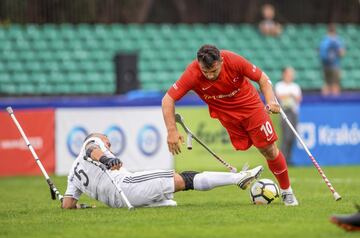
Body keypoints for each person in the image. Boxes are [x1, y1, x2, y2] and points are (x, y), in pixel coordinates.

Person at [162, 44, 298, 206]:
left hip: (251, 108)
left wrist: (270, 100)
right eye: (206, 72)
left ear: (221, 61)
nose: (210, 76)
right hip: (227, 116)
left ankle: (287, 192)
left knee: (268, 148)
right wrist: (171, 130)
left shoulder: (233, 60)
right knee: (250, 147)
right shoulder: (192, 73)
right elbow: (167, 99)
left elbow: (262, 78)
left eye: (214, 71)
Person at [62, 133, 264, 209]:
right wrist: (107, 158)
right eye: (109, 143)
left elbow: (67, 204)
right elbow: (92, 150)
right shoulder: (93, 141)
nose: (110, 146)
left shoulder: (73, 173)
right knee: (183, 179)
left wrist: (83, 207)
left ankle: (237, 178)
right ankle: (238, 178)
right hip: (126, 186)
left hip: (118, 203)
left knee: (171, 203)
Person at [275, 67, 302, 165]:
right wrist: (290, 96)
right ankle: (283, 159)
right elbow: (280, 97)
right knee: (286, 137)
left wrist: (290, 96)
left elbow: (298, 99)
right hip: (285, 112)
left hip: (294, 112)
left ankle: (288, 158)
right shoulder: (279, 85)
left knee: (292, 137)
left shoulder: (295, 86)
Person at [319, 23, 345, 96]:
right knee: (335, 85)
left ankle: (323, 103)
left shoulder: (324, 40)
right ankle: (336, 104)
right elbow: (342, 52)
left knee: (326, 84)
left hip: (325, 65)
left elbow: (320, 52)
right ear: (335, 31)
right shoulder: (337, 40)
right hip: (335, 65)